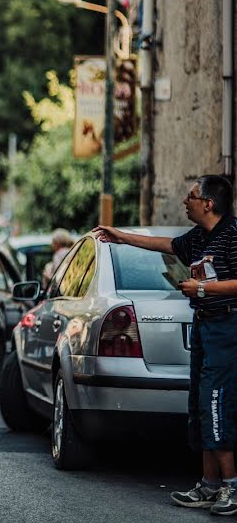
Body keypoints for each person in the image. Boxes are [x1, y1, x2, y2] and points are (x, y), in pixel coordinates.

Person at [93, 174, 237, 516]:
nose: (185, 202)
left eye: (190, 196)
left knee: (216, 402)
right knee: (200, 404)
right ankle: (209, 485)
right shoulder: (200, 236)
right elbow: (165, 246)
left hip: (227, 327)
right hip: (204, 325)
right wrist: (120, 237)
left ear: (208, 203)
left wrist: (203, 290)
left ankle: (231, 488)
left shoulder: (232, 234)